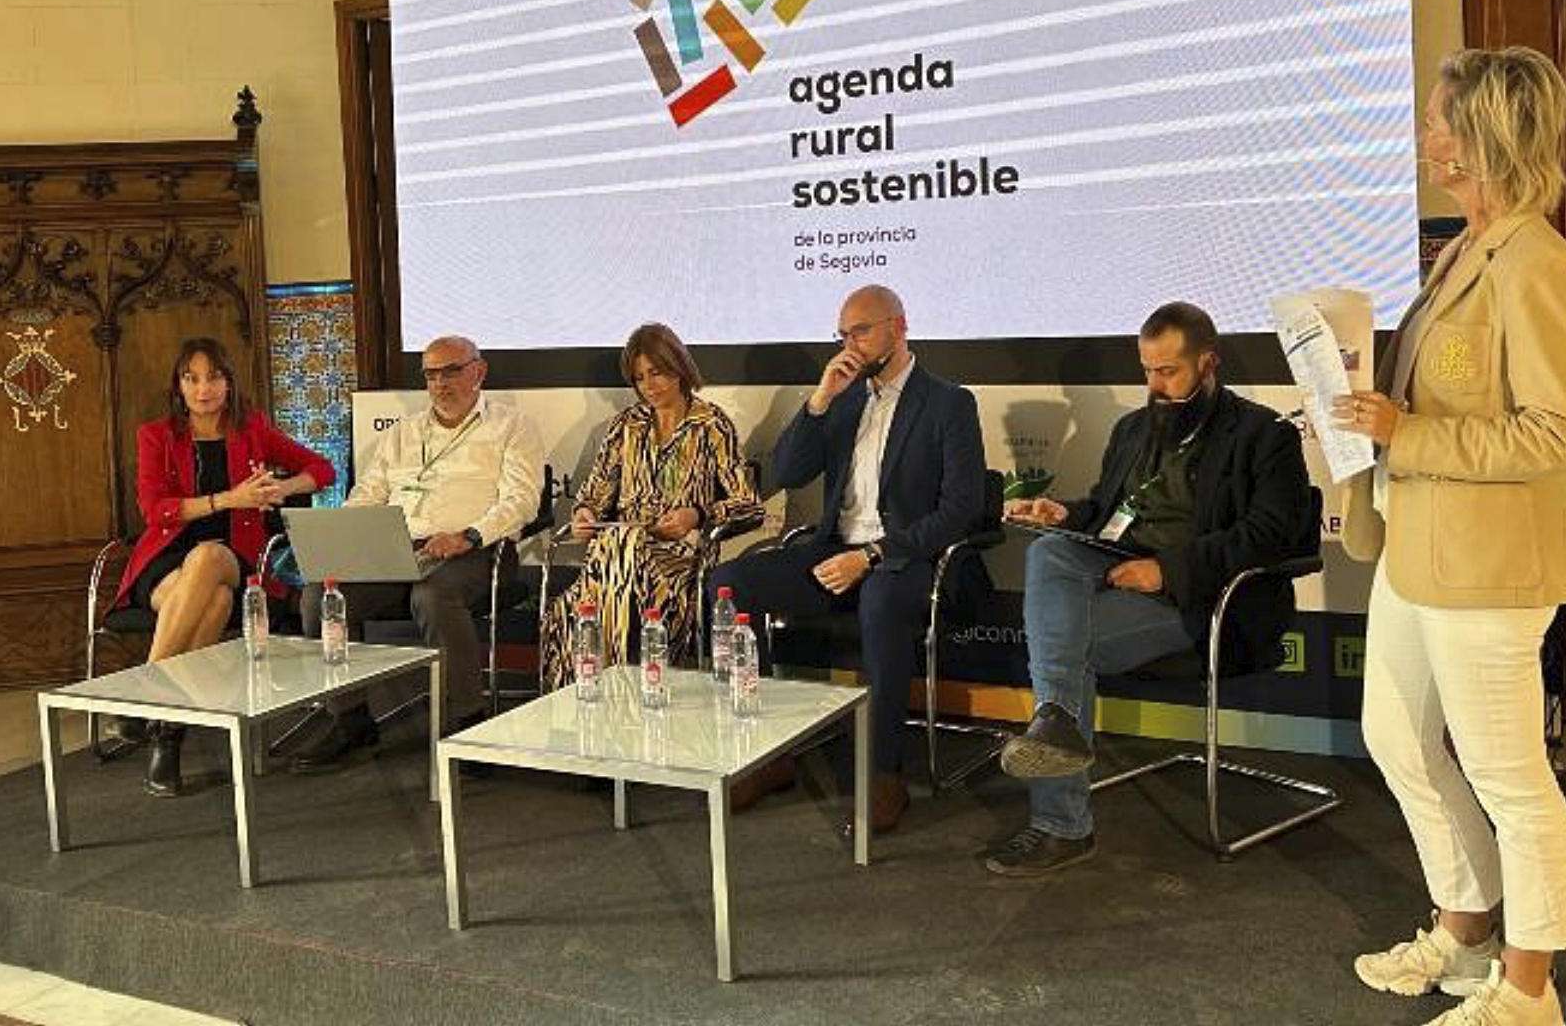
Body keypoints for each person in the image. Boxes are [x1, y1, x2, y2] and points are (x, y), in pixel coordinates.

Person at [1334, 47, 1566, 1026]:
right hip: (1419, 546)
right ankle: (1466, 928)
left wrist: (1407, 433)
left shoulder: (1537, 262)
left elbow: (1558, 431)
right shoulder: (1464, 250)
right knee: (1395, 737)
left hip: (1491, 565)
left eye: (1437, 121)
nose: (1425, 137)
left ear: (1482, 138)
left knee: (1509, 776)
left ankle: (1528, 992)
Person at [987, 301, 1318, 876]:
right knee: (1049, 550)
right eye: (1147, 371)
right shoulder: (1133, 430)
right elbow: (1109, 514)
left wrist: (1168, 570)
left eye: (1168, 371)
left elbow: (1269, 536)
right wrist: (1066, 514)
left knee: (1065, 647)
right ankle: (1057, 723)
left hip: (1205, 600)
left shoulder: (1264, 435)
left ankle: (1061, 820)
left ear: (1207, 363)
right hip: (1122, 571)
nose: (1155, 386)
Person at [709, 284, 985, 834]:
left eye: (861, 331)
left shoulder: (948, 402)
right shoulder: (844, 399)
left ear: (898, 327)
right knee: (729, 583)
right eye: (842, 335)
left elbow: (961, 509)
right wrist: (819, 402)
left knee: (881, 601)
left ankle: (884, 773)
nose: (849, 345)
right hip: (833, 549)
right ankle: (761, 754)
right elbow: (787, 473)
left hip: (907, 560)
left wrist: (874, 555)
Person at [289, 335, 542, 772]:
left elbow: (521, 500)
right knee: (323, 598)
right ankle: (350, 719)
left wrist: (469, 535)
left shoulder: (511, 426)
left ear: (479, 371)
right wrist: (345, 536)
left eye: (452, 371)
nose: (440, 383)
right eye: (431, 374)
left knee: (432, 595)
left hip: (478, 550)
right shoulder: (403, 433)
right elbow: (369, 493)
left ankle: (467, 720)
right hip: (397, 548)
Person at [119, 337, 335, 796]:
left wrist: (282, 488)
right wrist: (229, 500)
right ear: (178, 386)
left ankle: (144, 693)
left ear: (229, 382)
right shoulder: (156, 435)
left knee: (210, 557)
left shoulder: (251, 429)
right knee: (213, 599)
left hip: (236, 558)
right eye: (192, 378)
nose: (204, 389)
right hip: (165, 562)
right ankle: (167, 734)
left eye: (214, 377)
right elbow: (155, 511)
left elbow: (323, 469)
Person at [537, 323, 761, 687]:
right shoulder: (626, 425)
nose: (648, 386)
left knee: (591, 600)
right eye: (639, 378)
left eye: (656, 373)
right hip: (615, 559)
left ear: (678, 368)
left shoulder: (711, 425)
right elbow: (593, 494)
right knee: (604, 565)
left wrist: (697, 515)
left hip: (677, 561)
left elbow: (748, 505)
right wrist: (584, 514)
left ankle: (606, 692)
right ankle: (610, 694)